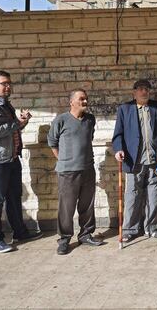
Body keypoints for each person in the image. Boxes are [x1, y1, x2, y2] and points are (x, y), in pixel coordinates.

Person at [0, 70, 41, 253]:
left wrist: (22, 122)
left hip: (10, 158)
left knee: (14, 197)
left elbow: (11, 129)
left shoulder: (5, 105)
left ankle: (20, 232)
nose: (8, 86)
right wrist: (16, 123)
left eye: (9, 83)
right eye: (4, 83)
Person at [48, 89, 104, 254]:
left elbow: (89, 138)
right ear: (71, 102)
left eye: (86, 99)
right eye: (81, 99)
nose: (85, 101)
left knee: (87, 205)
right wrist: (64, 160)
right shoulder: (61, 120)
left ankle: (86, 234)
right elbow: (52, 142)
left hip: (87, 169)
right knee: (67, 207)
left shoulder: (90, 120)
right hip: (67, 172)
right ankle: (64, 239)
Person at [113, 79, 157, 242]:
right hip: (133, 159)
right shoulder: (125, 109)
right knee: (132, 194)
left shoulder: (156, 107)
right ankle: (130, 229)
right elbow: (118, 134)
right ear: (134, 92)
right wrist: (118, 149)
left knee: (154, 193)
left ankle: (152, 227)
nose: (144, 92)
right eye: (141, 89)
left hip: (154, 159)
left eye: (147, 89)